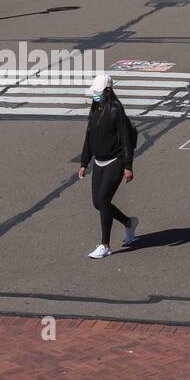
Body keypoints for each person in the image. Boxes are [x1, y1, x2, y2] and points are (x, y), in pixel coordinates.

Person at [76, 74, 137, 259]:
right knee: (98, 203)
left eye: (97, 92)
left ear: (107, 91)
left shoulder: (116, 109)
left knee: (103, 201)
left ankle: (105, 245)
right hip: (99, 161)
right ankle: (128, 222)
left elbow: (126, 139)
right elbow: (89, 136)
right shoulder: (96, 107)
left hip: (115, 161)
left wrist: (128, 165)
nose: (95, 95)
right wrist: (84, 162)